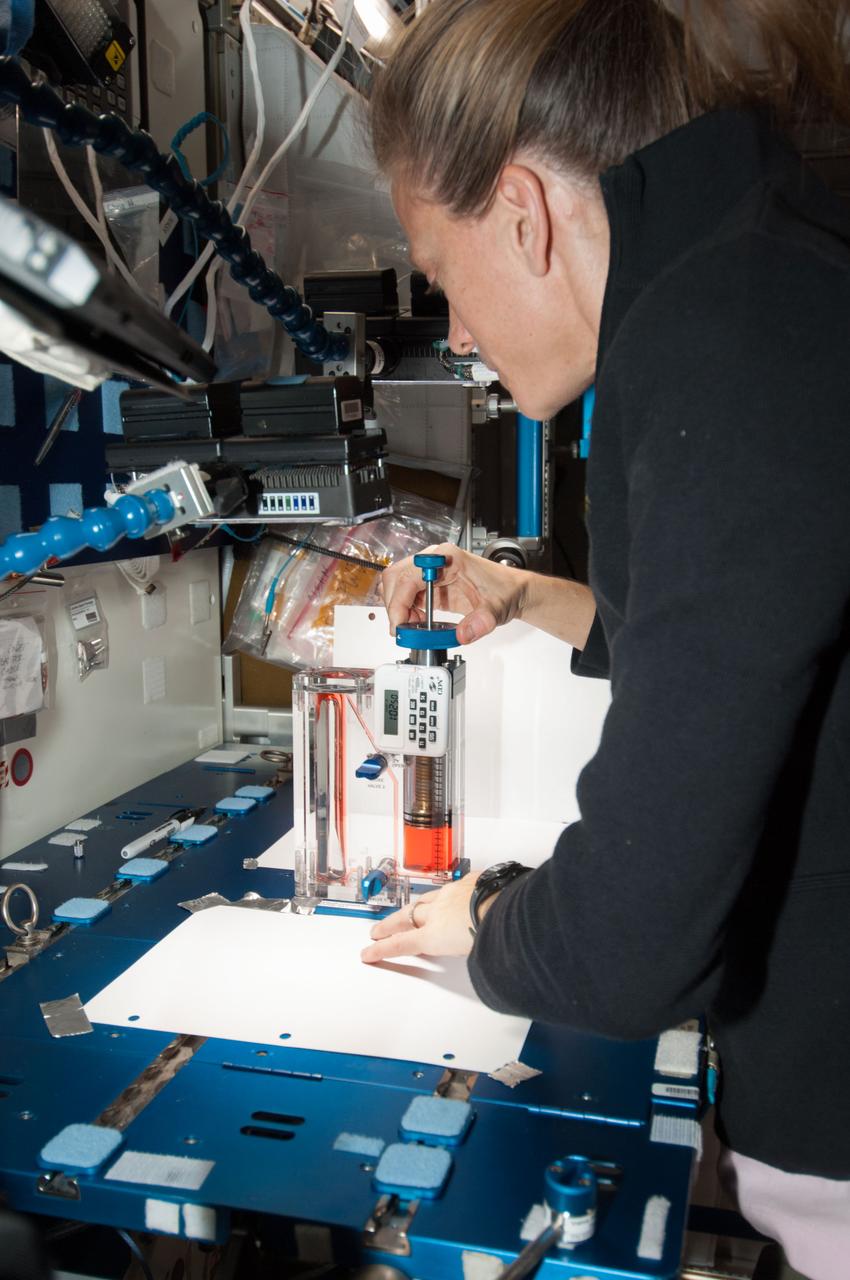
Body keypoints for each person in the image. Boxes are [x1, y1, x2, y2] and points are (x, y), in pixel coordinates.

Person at [356, 2, 850, 1276]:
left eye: (439, 273)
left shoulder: (725, 332)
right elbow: (746, 652)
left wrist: (490, 925)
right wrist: (516, 594)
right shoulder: (765, 269)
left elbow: (625, 944)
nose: (454, 332)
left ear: (519, 212)